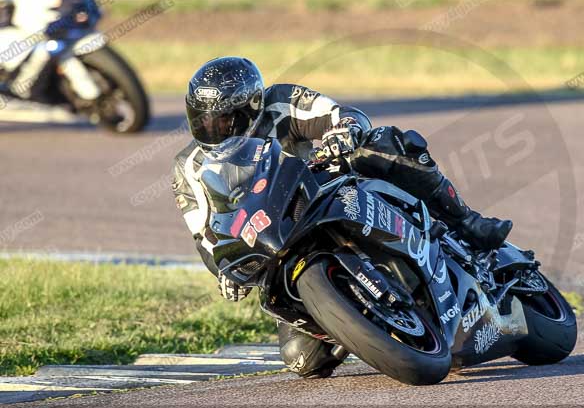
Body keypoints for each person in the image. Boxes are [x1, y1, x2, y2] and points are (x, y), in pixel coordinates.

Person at [172, 56, 512, 378]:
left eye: (223, 120)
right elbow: (205, 236)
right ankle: (361, 317)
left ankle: (466, 221)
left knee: (386, 143)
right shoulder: (188, 168)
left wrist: (344, 131)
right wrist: (224, 271)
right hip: (276, 239)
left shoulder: (280, 102)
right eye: (201, 119)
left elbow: (342, 114)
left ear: (251, 108)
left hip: (324, 188)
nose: (212, 128)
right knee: (302, 360)